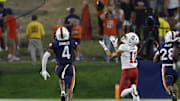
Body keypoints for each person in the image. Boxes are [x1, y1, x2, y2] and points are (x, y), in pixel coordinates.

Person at [99, 32, 140, 101]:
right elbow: (119, 51)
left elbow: (111, 55)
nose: (125, 38)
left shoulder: (124, 47)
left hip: (127, 71)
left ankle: (131, 90)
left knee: (122, 93)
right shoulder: (135, 47)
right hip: (135, 70)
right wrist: (115, 44)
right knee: (134, 89)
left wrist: (105, 47)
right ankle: (134, 93)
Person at [40, 26, 76, 101]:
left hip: (59, 67)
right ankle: (69, 99)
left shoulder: (55, 44)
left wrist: (43, 70)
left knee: (61, 76)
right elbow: (77, 50)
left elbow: (45, 56)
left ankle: (62, 91)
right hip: (69, 67)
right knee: (70, 88)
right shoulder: (72, 43)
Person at [153, 31, 178, 101]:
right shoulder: (175, 45)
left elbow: (155, 60)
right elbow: (176, 57)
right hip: (174, 67)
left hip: (166, 67)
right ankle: (175, 98)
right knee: (174, 85)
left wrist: (159, 56)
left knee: (167, 87)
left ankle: (172, 94)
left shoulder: (161, 46)